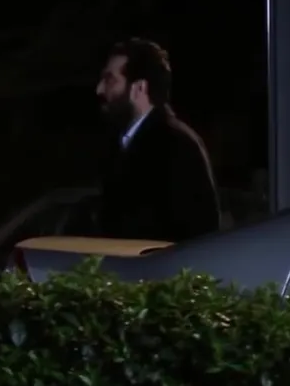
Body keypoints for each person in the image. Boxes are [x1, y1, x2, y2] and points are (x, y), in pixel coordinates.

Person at [94, 38, 222, 242]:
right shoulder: (122, 143)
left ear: (139, 88)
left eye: (110, 80)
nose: (99, 89)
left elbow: (197, 231)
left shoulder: (176, 144)